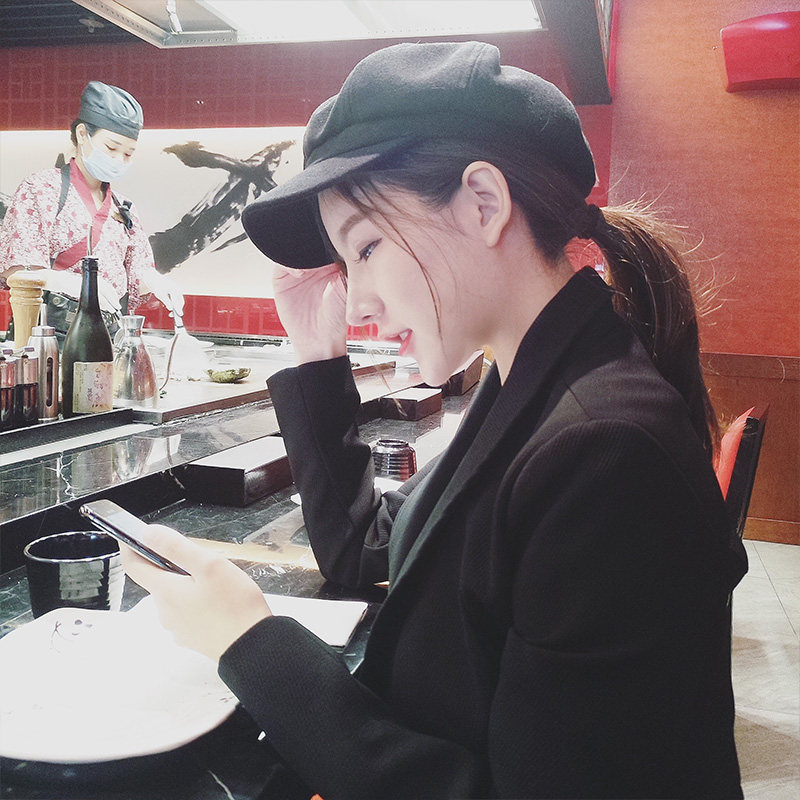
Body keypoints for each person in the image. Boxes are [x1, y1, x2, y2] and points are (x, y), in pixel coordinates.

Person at [120, 42, 747, 799]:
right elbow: (371, 549)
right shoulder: (524, 379)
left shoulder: (603, 449)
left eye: (367, 247)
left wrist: (251, 644)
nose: (358, 303)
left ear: (483, 202)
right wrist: (318, 354)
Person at [0, 80, 183, 335]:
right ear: (82, 134)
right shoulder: (40, 189)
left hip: (109, 335)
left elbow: (136, 277)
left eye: (128, 154)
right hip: (48, 334)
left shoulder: (124, 208)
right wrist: (70, 283)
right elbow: (17, 269)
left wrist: (156, 281)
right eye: (111, 147)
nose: (119, 159)